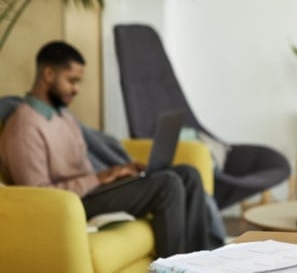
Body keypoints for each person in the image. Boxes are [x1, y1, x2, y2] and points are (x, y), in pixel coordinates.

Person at [0, 41, 217, 257]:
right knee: (167, 185)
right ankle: (174, 270)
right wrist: (99, 178)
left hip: (91, 191)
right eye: (71, 81)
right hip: (72, 205)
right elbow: (40, 197)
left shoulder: (64, 116)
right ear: (48, 74)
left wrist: (116, 174)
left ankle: (199, 263)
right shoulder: (24, 127)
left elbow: (83, 170)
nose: (76, 89)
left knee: (188, 174)